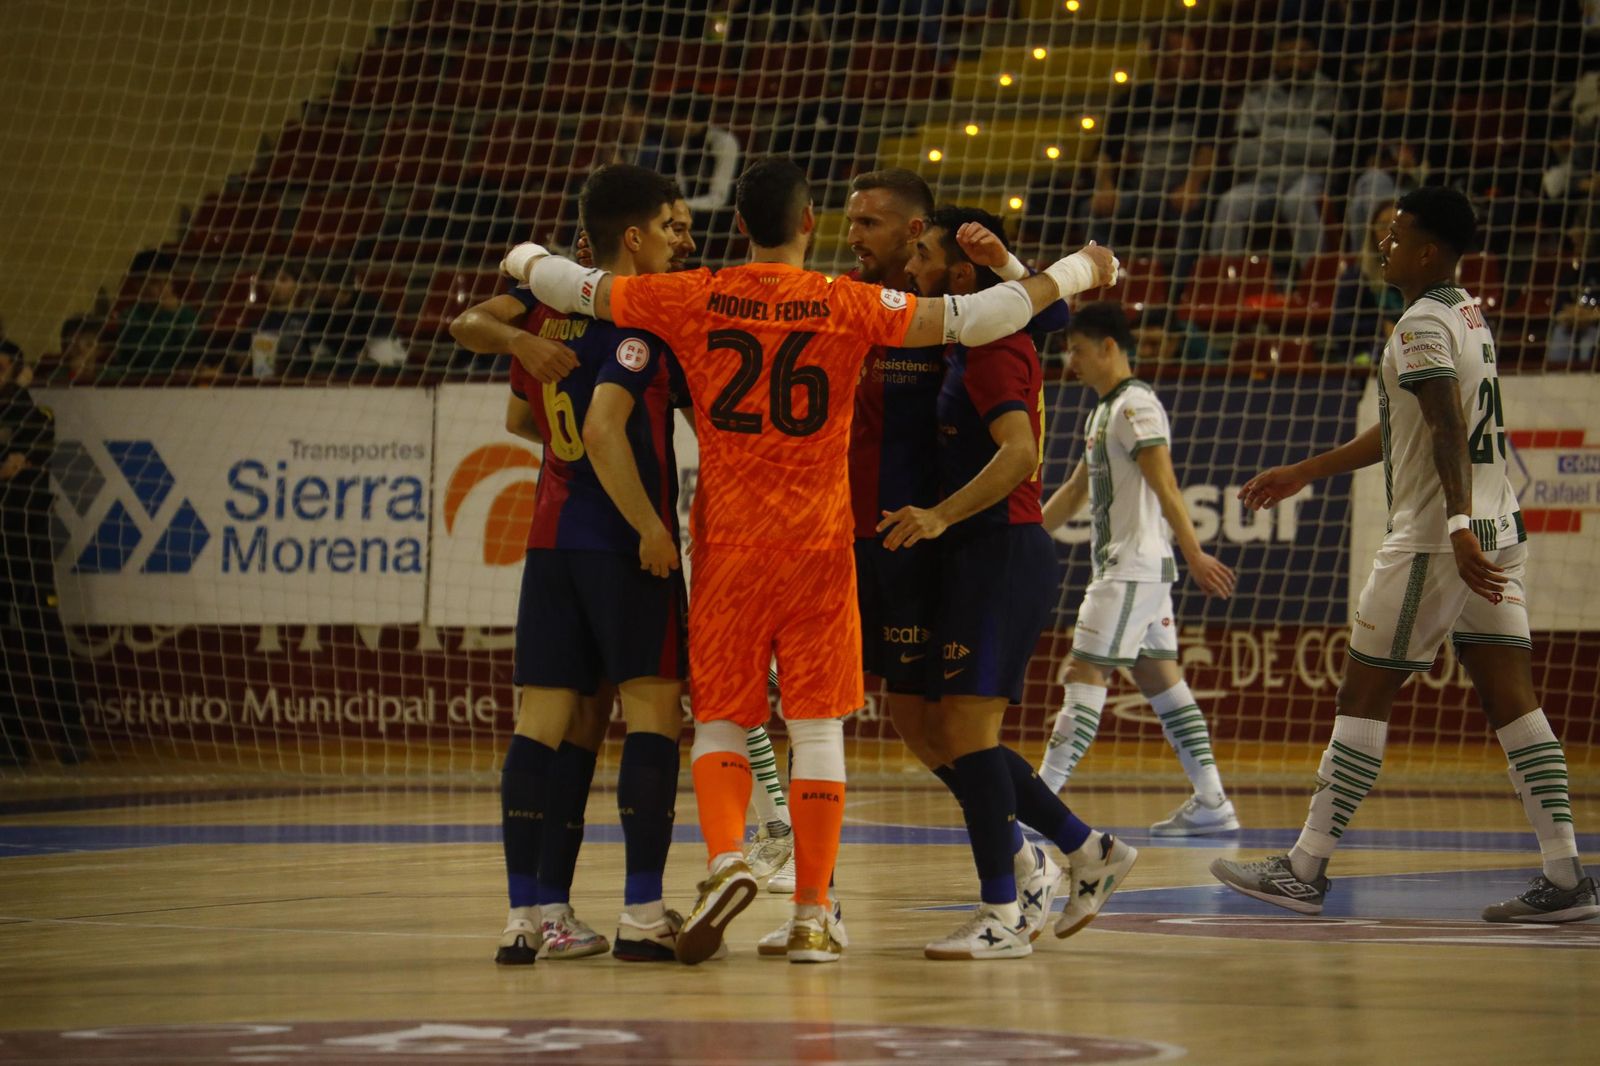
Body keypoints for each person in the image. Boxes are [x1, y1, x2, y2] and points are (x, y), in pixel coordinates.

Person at [500, 155, 1117, 965]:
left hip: (726, 542)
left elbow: (566, 288)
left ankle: (726, 859)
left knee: (723, 717)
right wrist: (1079, 267)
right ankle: (814, 915)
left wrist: (521, 257)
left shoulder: (686, 293)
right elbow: (982, 315)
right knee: (817, 727)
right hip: (821, 544)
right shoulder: (845, 301)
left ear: (737, 226)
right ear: (808, 224)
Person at [1212, 187, 1598, 924]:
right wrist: (1306, 471)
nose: (1383, 246)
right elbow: (1411, 427)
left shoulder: (1421, 321)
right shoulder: (1465, 314)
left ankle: (1303, 868)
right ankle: (1567, 874)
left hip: (1436, 537)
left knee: (1364, 695)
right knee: (1514, 702)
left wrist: (1451, 520)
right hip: (1497, 530)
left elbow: (1447, 428)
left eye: (1396, 236)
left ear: (1427, 251)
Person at [451, 165, 694, 963]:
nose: (683, 240)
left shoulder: (544, 313)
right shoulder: (640, 321)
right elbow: (602, 432)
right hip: (624, 544)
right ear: (633, 236)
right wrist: (648, 524)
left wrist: (523, 343)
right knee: (652, 714)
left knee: (551, 725)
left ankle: (532, 916)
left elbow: (522, 415)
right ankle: (642, 915)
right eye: (673, 226)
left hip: (552, 543)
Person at [877, 209, 1135, 959]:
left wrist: (937, 515)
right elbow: (1046, 307)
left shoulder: (988, 346)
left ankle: (1007, 912)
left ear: (960, 276)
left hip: (1000, 552)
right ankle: (1086, 852)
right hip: (974, 555)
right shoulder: (971, 337)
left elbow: (1020, 455)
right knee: (947, 733)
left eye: (921, 253)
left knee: (967, 736)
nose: (911, 265)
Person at [1035, 301, 1240, 836]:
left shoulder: (1134, 407)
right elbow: (1078, 489)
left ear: (1109, 348)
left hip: (1128, 570)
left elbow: (1166, 484)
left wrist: (1194, 552)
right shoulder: (1105, 409)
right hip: (1137, 571)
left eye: (1077, 350)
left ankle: (1037, 805)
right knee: (1162, 682)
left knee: (1084, 673)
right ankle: (1213, 801)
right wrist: (1024, 536)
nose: (1069, 361)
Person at [1082, 28, 1222, 288]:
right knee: (1091, 210)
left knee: (1194, 215)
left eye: (1192, 57)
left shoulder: (1205, 97)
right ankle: (1109, 284)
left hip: (1179, 196)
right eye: (1181, 57)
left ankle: (1176, 295)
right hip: (1142, 194)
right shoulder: (1133, 100)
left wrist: (1192, 185)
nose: (1190, 63)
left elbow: (1208, 149)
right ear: (1157, 60)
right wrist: (1105, 186)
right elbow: (1105, 152)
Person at [0, 347, 86, 766]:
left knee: (44, 638)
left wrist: (18, 393)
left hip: (27, 543)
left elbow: (32, 445)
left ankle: (71, 737)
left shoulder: (34, 414)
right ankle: (10, 743)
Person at [1205, 31, 1343, 272]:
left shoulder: (1328, 92)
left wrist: (1268, 135)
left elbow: (1324, 147)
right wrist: (1298, 144)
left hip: (1308, 178)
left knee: (1296, 201)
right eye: (1286, 55)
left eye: (1300, 54)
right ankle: (1226, 283)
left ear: (1314, 57)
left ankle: (1316, 281)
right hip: (1262, 182)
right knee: (1230, 203)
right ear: (1274, 58)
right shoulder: (1255, 95)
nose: (1293, 62)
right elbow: (1239, 156)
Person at [108, 250, 202, 380]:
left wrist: (177, 314)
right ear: (139, 286)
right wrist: (169, 316)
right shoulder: (130, 317)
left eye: (167, 282)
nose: (164, 288)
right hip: (136, 380)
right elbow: (151, 356)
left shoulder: (185, 313)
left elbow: (192, 347)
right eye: (155, 283)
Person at [1332, 203, 1406, 365]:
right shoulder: (1356, 276)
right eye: (1382, 225)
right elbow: (1339, 325)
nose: (1389, 231)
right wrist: (1381, 327)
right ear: (1372, 232)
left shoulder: (1424, 275)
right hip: (1369, 357)